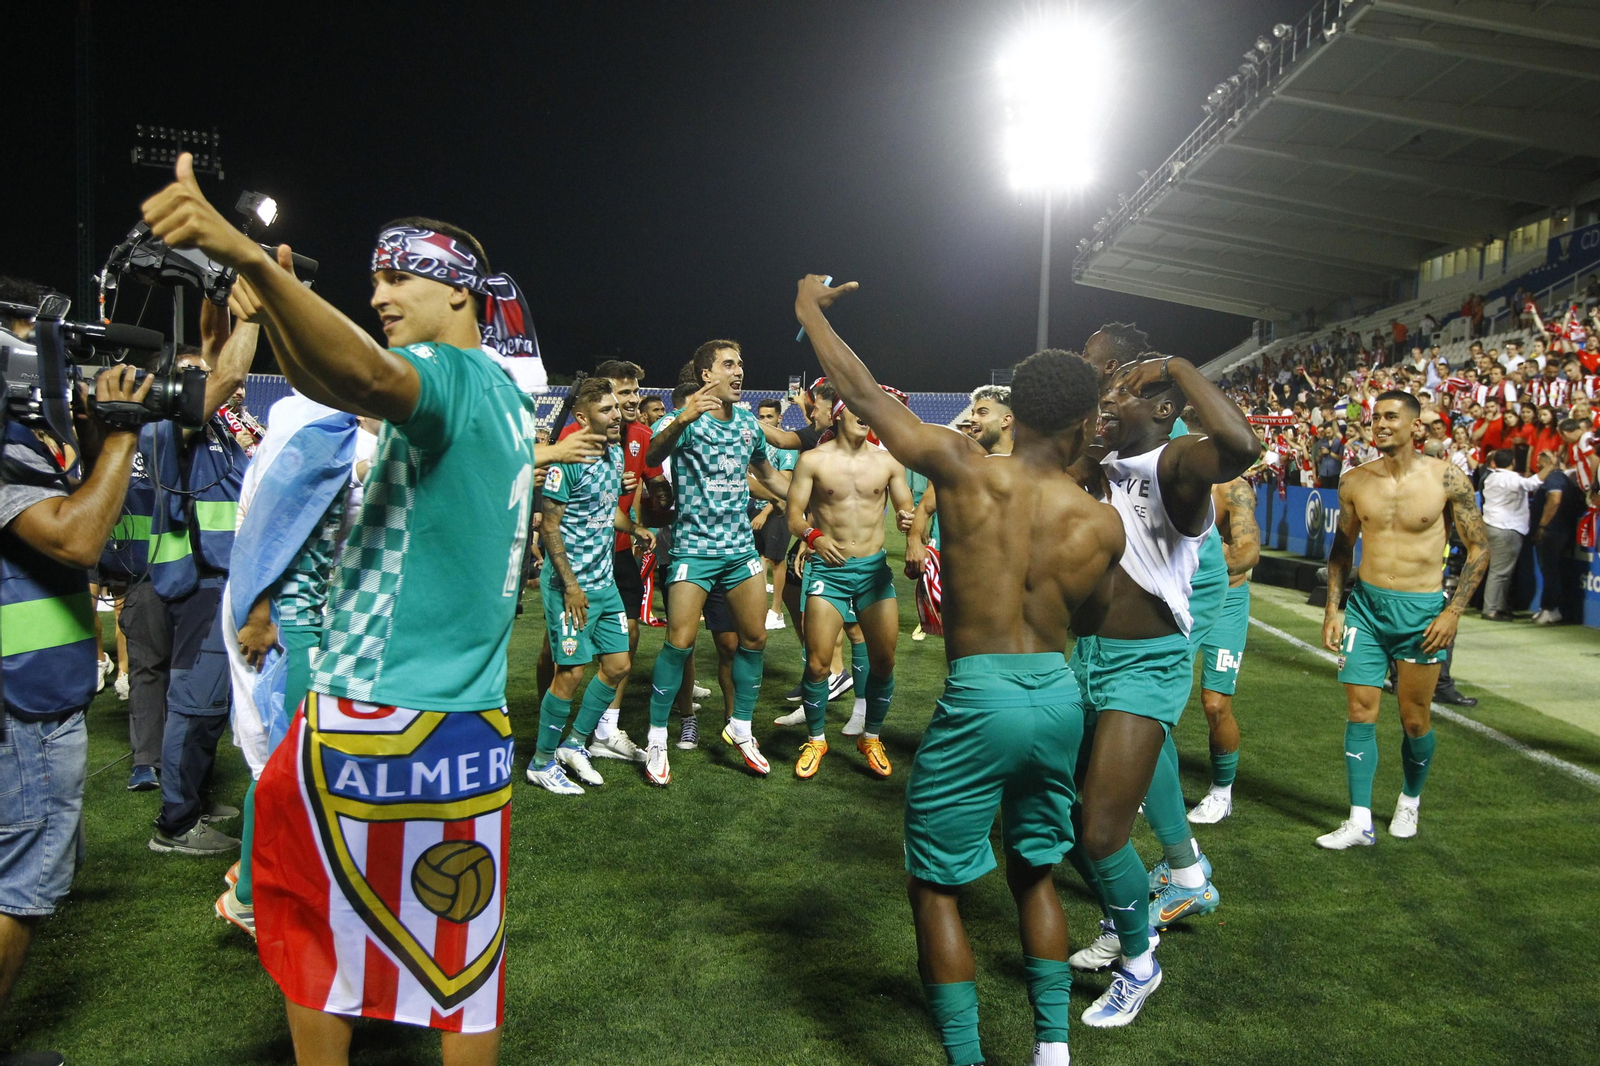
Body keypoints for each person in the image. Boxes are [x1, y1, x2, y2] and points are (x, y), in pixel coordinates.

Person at [142, 154, 602, 1061]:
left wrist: (253, 259)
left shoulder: (444, 376)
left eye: (399, 276)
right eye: (373, 280)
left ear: (460, 294)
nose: (381, 294)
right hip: (467, 724)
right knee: (462, 967)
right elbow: (336, 376)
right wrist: (263, 298)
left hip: (367, 711)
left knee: (314, 947)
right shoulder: (511, 399)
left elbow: (362, 376)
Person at [795, 273, 1124, 1066]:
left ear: (1016, 411)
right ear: (1083, 424)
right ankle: (1053, 1053)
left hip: (981, 695)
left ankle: (970, 1059)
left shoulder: (966, 468)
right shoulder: (1101, 520)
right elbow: (1093, 619)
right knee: (1036, 872)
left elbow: (865, 396)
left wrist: (807, 311)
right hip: (1056, 693)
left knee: (936, 887)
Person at [1062, 354, 1259, 1026]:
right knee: (1072, 820)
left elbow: (1241, 446)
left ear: (1163, 410)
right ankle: (1153, 901)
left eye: (1122, 394)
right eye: (1103, 394)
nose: (1106, 402)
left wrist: (1178, 366)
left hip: (1147, 665)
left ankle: (1139, 965)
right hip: (1091, 657)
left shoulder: (1174, 465)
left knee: (1100, 831)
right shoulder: (1102, 460)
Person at [0, 363, 151, 1066]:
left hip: (29, 691)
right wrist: (118, 430)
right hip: (18, 702)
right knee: (19, 884)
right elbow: (76, 538)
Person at [216, 390, 362, 938]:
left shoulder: (336, 436)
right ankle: (249, 897)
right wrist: (256, 613)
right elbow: (263, 531)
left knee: (292, 757)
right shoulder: (320, 435)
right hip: (289, 623)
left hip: (309, 621)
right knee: (285, 763)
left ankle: (255, 867)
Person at [1318, 391, 1489, 849]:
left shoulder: (1447, 478)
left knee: (1414, 718)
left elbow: (1479, 547)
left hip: (1422, 613)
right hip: (1367, 609)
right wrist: (1334, 608)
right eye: (1376, 417)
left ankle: (1409, 799)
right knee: (1359, 710)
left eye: (1391, 416)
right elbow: (1341, 550)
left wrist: (1453, 611)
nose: (1380, 424)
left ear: (1416, 426)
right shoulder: (1355, 480)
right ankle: (1359, 820)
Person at [641, 341, 792, 785]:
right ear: (707, 374)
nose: (739, 370)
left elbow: (767, 475)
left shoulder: (747, 422)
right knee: (679, 642)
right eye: (729, 364)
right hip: (692, 550)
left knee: (755, 637)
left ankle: (740, 727)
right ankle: (656, 737)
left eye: (741, 363)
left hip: (739, 551)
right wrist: (683, 418)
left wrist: (805, 503)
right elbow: (651, 459)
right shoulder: (681, 420)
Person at [141, 310, 259, 856]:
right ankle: (176, 823)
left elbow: (220, 361)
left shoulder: (210, 427)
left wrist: (219, 303)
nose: (200, 380)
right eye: (187, 374)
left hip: (222, 576)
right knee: (194, 703)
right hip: (200, 582)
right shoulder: (167, 425)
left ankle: (198, 798)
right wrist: (254, 312)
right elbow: (230, 375)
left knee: (209, 703)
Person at [528, 378, 655, 794]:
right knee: (571, 673)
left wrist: (633, 527)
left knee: (618, 665)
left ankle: (575, 744)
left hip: (604, 583)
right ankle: (542, 762)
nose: (617, 415)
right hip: (571, 587)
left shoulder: (614, 455)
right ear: (582, 418)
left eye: (616, 409)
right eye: (606, 410)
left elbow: (605, 512)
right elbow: (550, 526)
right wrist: (569, 586)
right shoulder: (566, 461)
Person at [785, 396, 911, 778]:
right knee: (819, 663)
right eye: (858, 407)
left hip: (873, 572)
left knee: (885, 661)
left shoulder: (888, 461)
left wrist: (909, 522)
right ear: (840, 414)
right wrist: (813, 536)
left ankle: (870, 736)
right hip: (829, 571)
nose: (866, 416)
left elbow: (906, 504)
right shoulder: (813, 460)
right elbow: (793, 514)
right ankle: (817, 739)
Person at [1188, 469, 1260, 825]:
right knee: (1157, 696)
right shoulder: (1161, 476)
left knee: (1215, 704)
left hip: (1226, 601)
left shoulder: (1234, 490)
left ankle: (1221, 791)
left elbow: (1248, 551)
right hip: (1177, 599)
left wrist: (1206, 569)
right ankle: (1145, 780)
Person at [1478, 449, 1542, 621]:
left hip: (1491, 525)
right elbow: (1531, 485)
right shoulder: (1511, 478)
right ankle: (1490, 609)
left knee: (1502, 572)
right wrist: (1549, 468)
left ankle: (1499, 607)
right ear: (1513, 462)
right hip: (1506, 528)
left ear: (1494, 463)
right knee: (1499, 572)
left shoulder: (1490, 477)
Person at [754, 398, 797, 630]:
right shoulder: (759, 442)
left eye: (769, 417)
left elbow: (785, 485)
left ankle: (777, 611)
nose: (764, 421)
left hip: (778, 512)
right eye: (761, 417)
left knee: (777, 560)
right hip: (756, 508)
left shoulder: (786, 447)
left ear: (780, 418)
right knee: (759, 557)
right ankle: (762, 606)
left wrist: (765, 512)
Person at [1529, 449, 1584, 625]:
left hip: (1553, 532)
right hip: (1558, 531)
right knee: (1552, 571)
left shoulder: (1554, 478)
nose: (1537, 467)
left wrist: (1543, 526)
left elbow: (1554, 500)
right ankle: (1549, 608)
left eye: (1539, 463)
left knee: (1551, 571)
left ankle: (1551, 609)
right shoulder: (1563, 478)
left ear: (1546, 463)